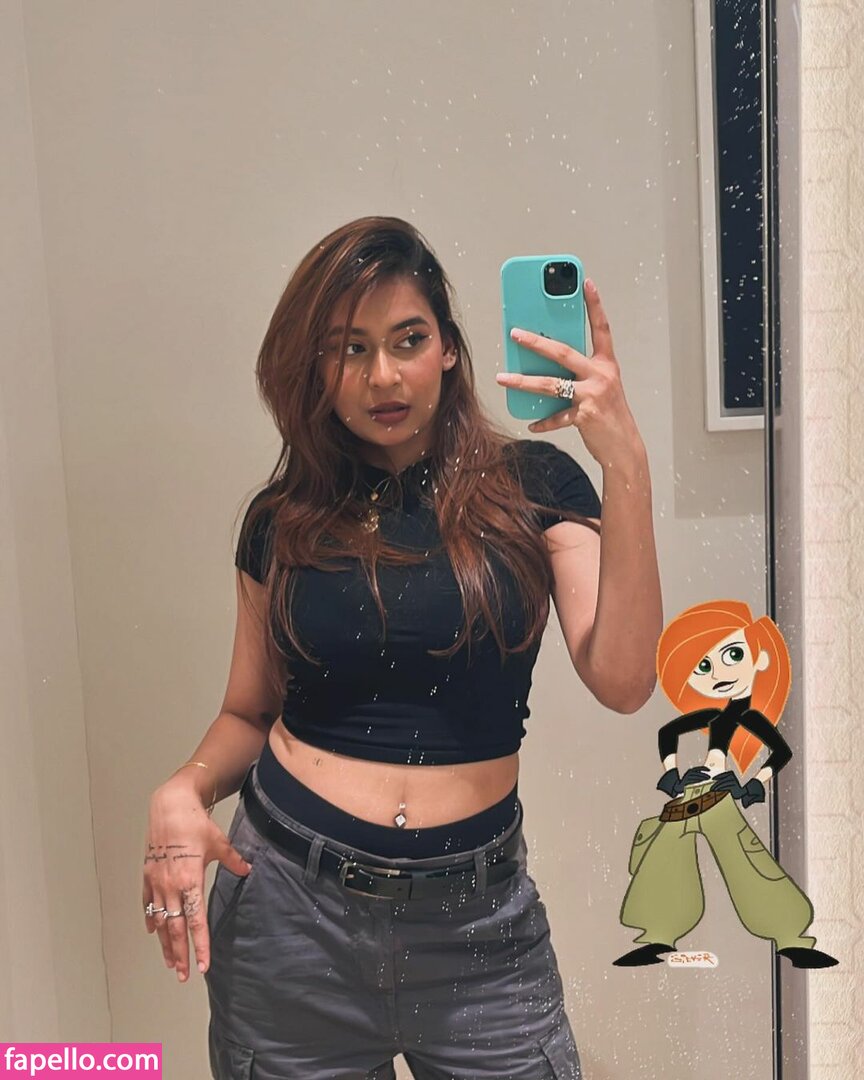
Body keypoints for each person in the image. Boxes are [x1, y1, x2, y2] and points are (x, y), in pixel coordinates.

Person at [142, 216, 662, 1079]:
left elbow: (624, 677)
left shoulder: (535, 486)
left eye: (407, 339)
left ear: (449, 348)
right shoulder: (282, 518)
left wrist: (626, 463)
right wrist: (182, 788)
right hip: (290, 919)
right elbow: (248, 712)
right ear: (316, 367)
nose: (382, 375)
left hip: (479, 928)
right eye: (350, 348)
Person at [613, 600, 838, 969]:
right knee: (664, 857)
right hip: (694, 792)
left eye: (733, 654)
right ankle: (658, 936)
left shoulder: (751, 716)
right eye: (704, 666)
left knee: (748, 862)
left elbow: (780, 752)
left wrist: (752, 785)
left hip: (721, 794)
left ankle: (791, 937)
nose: (718, 672)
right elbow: (667, 733)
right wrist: (673, 775)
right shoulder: (713, 713)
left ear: (760, 658)